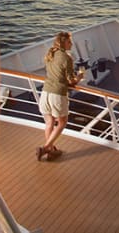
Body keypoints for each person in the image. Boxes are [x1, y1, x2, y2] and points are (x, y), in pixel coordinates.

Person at [36, 31, 83, 161]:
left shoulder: (50, 54)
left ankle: (51, 151)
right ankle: (45, 148)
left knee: (49, 122)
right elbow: (70, 80)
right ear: (63, 43)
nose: (71, 44)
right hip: (57, 94)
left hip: (45, 92)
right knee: (62, 122)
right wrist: (79, 77)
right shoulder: (67, 58)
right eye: (69, 42)